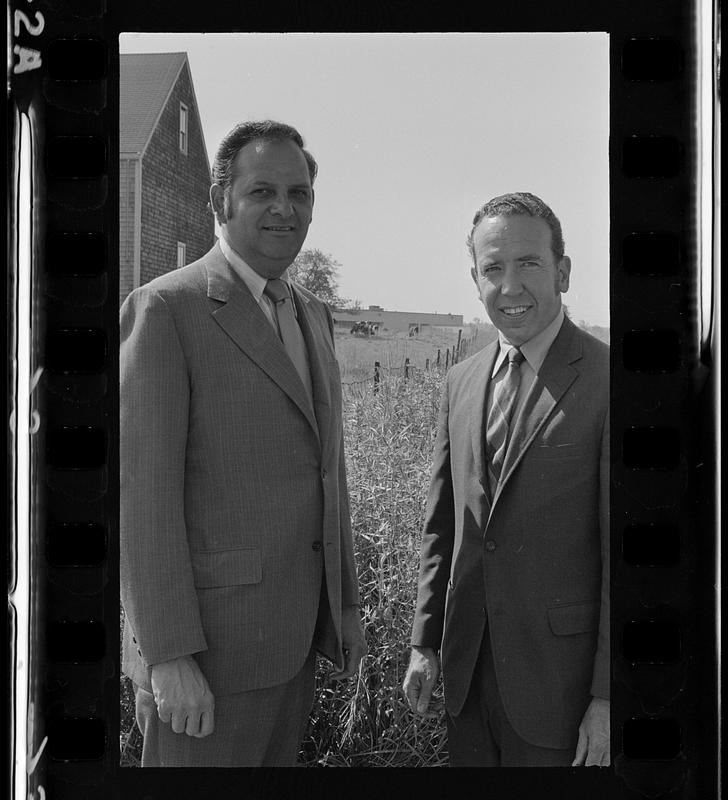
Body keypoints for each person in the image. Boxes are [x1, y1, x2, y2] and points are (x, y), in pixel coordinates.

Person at [120, 120, 365, 767]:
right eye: (262, 191)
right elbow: (142, 497)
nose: (285, 208)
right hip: (208, 664)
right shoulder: (167, 310)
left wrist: (345, 606)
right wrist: (169, 656)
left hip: (293, 646)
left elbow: (326, 471)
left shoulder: (314, 314)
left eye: (300, 192)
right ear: (219, 202)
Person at [403, 192, 609, 767]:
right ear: (475, 279)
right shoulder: (461, 381)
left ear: (563, 272)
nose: (510, 286)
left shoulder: (610, 383)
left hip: (560, 693)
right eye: (493, 268)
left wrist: (610, 698)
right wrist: (424, 644)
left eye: (529, 264)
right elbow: (442, 527)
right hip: (467, 682)